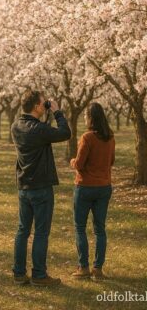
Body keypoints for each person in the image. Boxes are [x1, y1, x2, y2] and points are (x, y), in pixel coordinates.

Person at [11, 90, 71, 286]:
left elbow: (40, 131)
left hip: (24, 186)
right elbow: (65, 133)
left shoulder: (16, 126)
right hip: (41, 187)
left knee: (22, 231)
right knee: (41, 232)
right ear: (37, 106)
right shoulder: (39, 130)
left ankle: (19, 273)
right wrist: (56, 112)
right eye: (43, 102)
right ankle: (39, 275)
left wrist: (44, 116)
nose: (45, 104)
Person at [70, 103, 115, 281]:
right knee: (100, 229)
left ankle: (83, 267)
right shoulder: (110, 137)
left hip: (85, 187)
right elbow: (111, 161)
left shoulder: (87, 137)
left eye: (85, 115)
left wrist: (72, 161)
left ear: (90, 117)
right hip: (104, 187)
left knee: (80, 227)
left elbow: (79, 164)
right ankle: (98, 269)